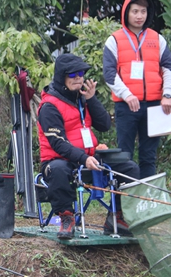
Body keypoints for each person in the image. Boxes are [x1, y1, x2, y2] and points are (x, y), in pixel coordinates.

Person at [37, 53, 140, 239]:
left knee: (129, 167)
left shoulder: (83, 98)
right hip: (58, 159)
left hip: (89, 157)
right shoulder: (49, 106)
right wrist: (84, 158)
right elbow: (58, 144)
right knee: (59, 169)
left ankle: (116, 217)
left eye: (81, 73)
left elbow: (104, 125)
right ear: (61, 77)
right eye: (73, 74)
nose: (78, 78)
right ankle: (66, 218)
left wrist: (91, 99)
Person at [103, 0, 171, 179]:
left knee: (148, 156)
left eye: (143, 11)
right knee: (124, 155)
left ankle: (146, 202)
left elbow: (167, 68)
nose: (139, 16)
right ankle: (123, 202)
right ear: (126, 13)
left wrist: (167, 94)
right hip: (127, 106)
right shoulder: (114, 40)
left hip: (155, 105)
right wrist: (127, 95)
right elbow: (109, 73)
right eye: (135, 11)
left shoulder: (157, 39)